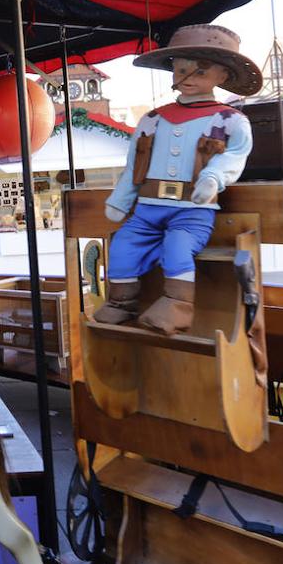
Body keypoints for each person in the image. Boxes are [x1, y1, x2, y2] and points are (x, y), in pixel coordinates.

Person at [93, 24, 260, 336]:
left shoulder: (230, 120)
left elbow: (235, 155)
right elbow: (135, 164)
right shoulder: (153, 118)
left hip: (192, 210)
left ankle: (178, 306)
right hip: (147, 207)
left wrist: (213, 178)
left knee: (178, 245)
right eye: (181, 70)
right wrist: (120, 200)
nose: (188, 78)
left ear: (222, 76)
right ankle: (121, 303)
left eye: (200, 72)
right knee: (123, 245)